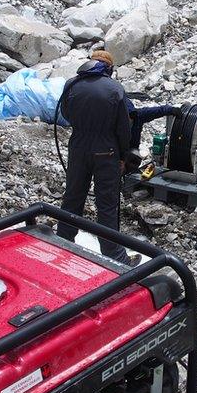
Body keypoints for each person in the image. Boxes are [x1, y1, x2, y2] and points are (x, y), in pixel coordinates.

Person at [56, 50, 137, 265]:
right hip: (106, 149)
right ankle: (115, 257)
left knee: (72, 197)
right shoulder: (114, 89)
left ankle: (62, 243)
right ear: (109, 68)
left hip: (78, 147)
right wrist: (123, 155)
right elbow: (123, 128)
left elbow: (65, 114)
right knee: (107, 204)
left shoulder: (71, 84)